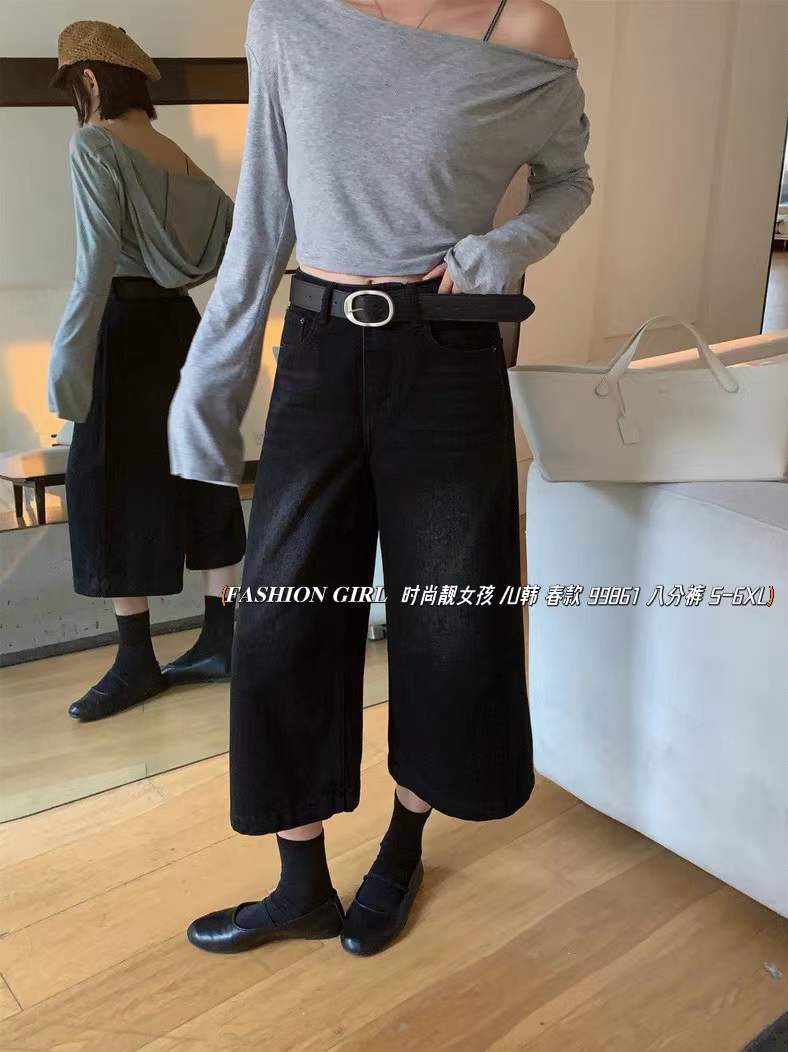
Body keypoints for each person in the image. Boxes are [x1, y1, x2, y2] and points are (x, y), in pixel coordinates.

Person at [170, 0, 593, 956]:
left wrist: (500, 250)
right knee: (278, 623)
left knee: (447, 620)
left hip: (447, 357)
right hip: (318, 349)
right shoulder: (291, 16)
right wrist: (211, 377)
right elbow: (265, 210)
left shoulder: (525, 29)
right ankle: (300, 887)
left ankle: (402, 852)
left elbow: (569, 180)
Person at [48, 21, 247, 723]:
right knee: (202, 473)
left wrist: (68, 355)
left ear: (89, 79)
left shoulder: (95, 143)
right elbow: (231, 238)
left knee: (104, 483)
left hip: (121, 329)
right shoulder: (172, 151)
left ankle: (136, 659)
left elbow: (95, 262)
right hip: (180, 328)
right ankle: (223, 637)